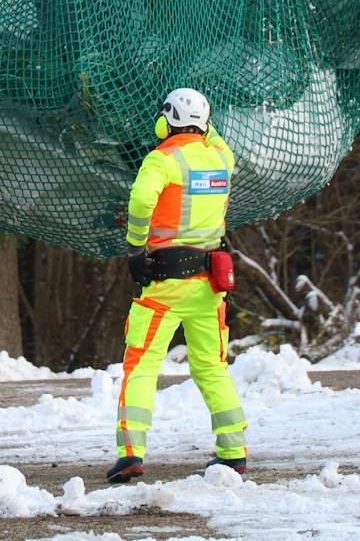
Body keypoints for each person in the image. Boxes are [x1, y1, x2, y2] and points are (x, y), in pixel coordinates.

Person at [107, 87, 248, 484]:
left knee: (142, 364)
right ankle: (234, 451)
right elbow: (213, 135)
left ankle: (131, 453)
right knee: (212, 367)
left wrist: (135, 249)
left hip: (164, 285)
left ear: (165, 120)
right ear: (205, 124)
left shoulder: (161, 160)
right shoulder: (222, 158)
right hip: (209, 286)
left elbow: (139, 200)